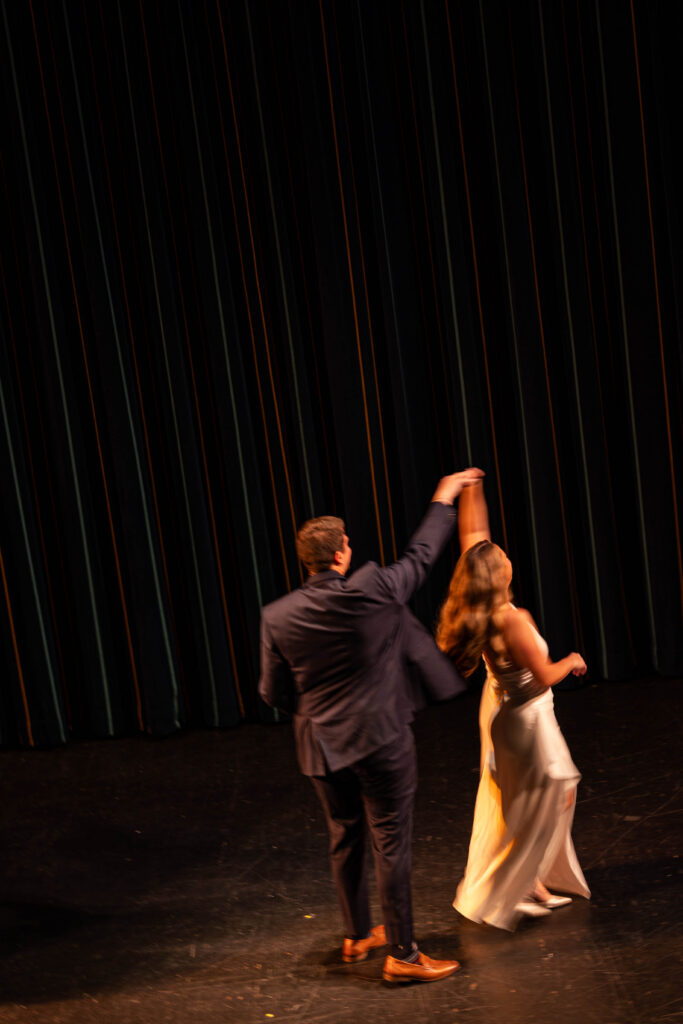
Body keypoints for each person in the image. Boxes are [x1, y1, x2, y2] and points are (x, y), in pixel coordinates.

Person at [258, 469, 483, 983]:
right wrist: (444, 495)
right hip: (379, 738)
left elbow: (273, 692)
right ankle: (402, 955)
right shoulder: (374, 589)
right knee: (390, 840)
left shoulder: (277, 616)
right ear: (341, 554)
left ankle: (359, 934)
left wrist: (318, 706)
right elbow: (422, 555)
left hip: (319, 746)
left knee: (344, 835)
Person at [436, 480, 590, 930]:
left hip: (509, 710)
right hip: (526, 716)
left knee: (534, 796)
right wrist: (572, 661)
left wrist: (474, 487)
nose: (504, 555)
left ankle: (530, 879)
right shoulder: (513, 619)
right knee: (548, 795)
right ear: (499, 574)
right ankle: (521, 880)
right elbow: (544, 676)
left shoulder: (483, 606)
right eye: (501, 556)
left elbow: (474, 541)